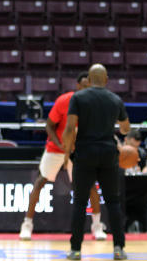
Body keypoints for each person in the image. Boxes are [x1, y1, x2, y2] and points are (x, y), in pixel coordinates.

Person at [19, 72, 107, 241]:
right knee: (40, 182)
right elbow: (49, 126)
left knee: (90, 186)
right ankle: (27, 224)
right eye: (84, 86)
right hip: (56, 147)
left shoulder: (94, 104)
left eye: (89, 86)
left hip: (79, 149)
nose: (86, 89)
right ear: (78, 86)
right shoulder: (64, 101)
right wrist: (59, 145)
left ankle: (97, 227)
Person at [60, 64, 131, 261]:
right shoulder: (115, 99)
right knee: (113, 202)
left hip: (85, 153)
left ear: (89, 80)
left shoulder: (78, 98)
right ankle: (118, 248)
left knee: (80, 203)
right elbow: (126, 128)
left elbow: (70, 127)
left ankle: (75, 250)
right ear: (106, 79)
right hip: (108, 153)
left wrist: (67, 152)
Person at [121, 129, 147, 233]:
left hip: (137, 188)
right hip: (121, 188)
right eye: (132, 147)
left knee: (143, 199)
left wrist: (145, 169)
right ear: (126, 140)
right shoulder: (118, 152)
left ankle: (141, 225)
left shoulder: (141, 153)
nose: (134, 150)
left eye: (136, 147)